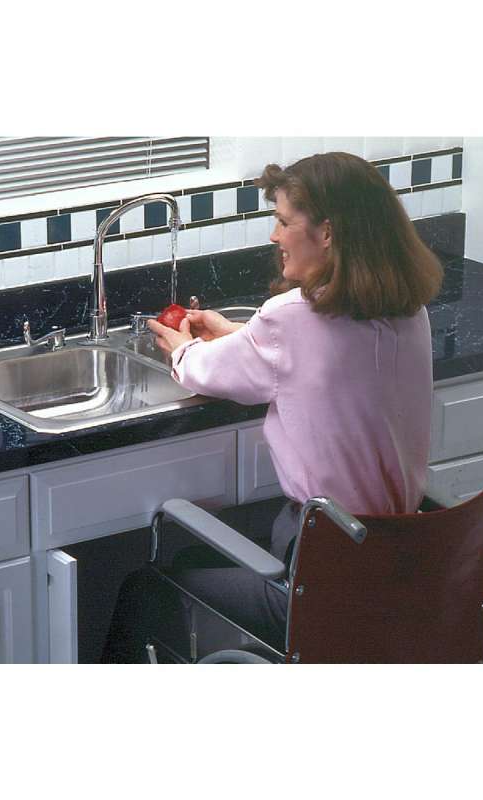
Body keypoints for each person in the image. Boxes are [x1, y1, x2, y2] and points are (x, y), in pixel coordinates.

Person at [101, 151, 444, 662]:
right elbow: (320, 361)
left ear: (326, 233)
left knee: (144, 587)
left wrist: (181, 348)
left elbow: (206, 371)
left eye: (284, 221)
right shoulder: (408, 307)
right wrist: (241, 334)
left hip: (323, 581)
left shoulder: (291, 317)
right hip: (397, 565)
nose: (274, 235)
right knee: (200, 555)